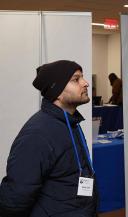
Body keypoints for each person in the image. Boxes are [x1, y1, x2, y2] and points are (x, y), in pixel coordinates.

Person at [0, 60, 98, 217]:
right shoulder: (38, 134)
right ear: (57, 91)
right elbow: (16, 196)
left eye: (83, 77)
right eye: (76, 79)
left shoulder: (71, 123)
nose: (85, 83)